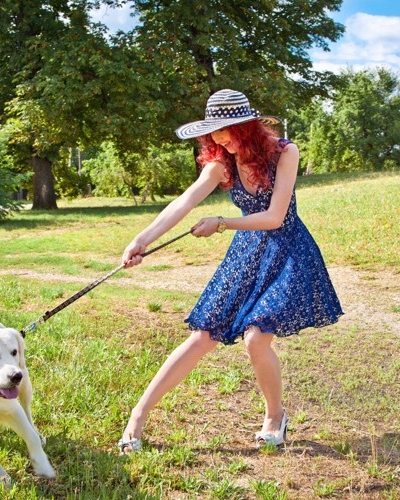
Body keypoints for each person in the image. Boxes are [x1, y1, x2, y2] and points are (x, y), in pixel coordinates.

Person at [117, 89, 343, 455]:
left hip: (287, 250)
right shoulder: (219, 163)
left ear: (247, 126)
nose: (219, 138)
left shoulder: (285, 153)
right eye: (214, 132)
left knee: (256, 336)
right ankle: (138, 417)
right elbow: (185, 201)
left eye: (227, 129)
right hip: (247, 253)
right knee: (202, 336)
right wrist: (140, 240)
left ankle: (275, 418)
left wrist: (222, 222)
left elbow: (275, 217)